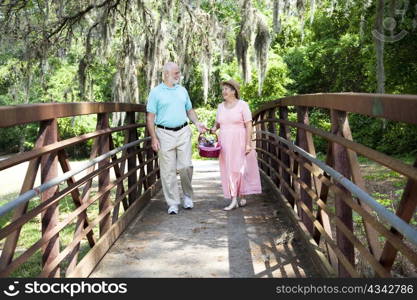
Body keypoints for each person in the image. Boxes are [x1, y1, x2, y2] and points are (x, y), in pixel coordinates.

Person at [146, 62, 207, 214]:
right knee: (168, 171)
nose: (178, 75)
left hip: (183, 131)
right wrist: (153, 138)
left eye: (179, 73)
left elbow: (190, 110)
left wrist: (197, 123)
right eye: (176, 73)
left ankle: (187, 196)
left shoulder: (182, 90)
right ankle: (172, 202)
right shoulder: (156, 92)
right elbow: (150, 118)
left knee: (186, 166)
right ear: (166, 74)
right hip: (164, 133)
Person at [210, 79, 262, 211]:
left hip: (239, 140)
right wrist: (213, 129)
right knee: (228, 169)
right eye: (223, 89)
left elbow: (249, 125)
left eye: (226, 89)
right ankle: (236, 196)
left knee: (238, 169)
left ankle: (235, 199)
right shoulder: (220, 107)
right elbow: (217, 124)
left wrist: (248, 144)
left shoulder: (242, 105)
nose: (224, 91)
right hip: (225, 142)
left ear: (234, 91)